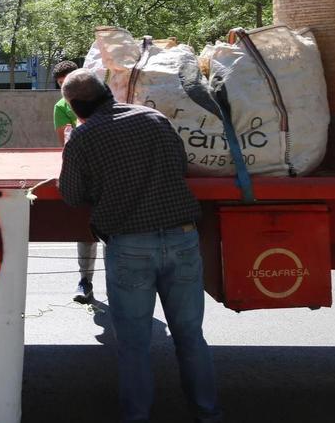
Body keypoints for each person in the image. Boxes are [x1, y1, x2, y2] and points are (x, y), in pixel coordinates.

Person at [57, 69, 221, 423]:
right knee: (191, 337)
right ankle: (208, 414)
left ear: (76, 107)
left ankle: (137, 416)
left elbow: (70, 195)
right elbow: (179, 165)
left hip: (129, 244)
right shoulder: (154, 118)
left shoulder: (83, 138)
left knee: (134, 345)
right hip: (182, 236)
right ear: (107, 93)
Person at [51, 60, 99, 304]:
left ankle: (121, 283)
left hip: (108, 170)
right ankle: (85, 280)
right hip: (87, 174)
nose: (67, 91)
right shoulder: (61, 108)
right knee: (86, 230)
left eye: (69, 83)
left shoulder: (101, 100)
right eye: (61, 86)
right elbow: (68, 149)